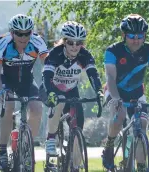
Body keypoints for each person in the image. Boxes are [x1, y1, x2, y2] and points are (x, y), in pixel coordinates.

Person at [101, 14, 149, 172]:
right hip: (114, 90)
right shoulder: (113, 51)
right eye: (131, 36)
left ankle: (141, 167)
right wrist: (116, 99)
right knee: (120, 115)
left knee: (141, 125)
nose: (136, 40)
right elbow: (110, 77)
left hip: (136, 93)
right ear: (123, 35)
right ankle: (109, 144)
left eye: (140, 36)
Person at [0, 14, 48, 170]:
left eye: (27, 33)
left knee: (37, 109)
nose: (23, 37)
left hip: (27, 81)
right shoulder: (2, 43)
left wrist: (47, 86)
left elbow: (47, 67)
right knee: (8, 106)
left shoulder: (38, 41)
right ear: (12, 33)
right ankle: (3, 152)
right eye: (19, 33)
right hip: (6, 80)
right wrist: (0, 92)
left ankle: (27, 146)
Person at [40, 21, 103, 163]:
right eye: (70, 42)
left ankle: (75, 163)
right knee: (60, 101)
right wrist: (51, 93)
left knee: (78, 127)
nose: (75, 46)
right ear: (64, 41)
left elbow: (93, 75)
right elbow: (47, 76)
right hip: (50, 87)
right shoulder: (55, 54)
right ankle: (50, 139)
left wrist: (99, 92)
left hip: (71, 90)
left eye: (78, 42)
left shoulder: (85, 55)